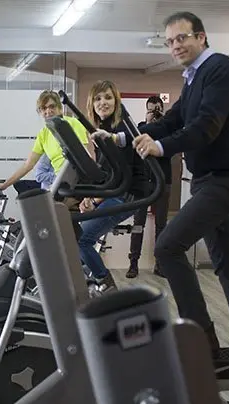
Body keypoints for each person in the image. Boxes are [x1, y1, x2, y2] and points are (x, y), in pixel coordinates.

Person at [109, 11, 229, 368]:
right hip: (209, 182)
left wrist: (161, 148)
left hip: (225, 182)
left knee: (167, 247)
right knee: (227, 266)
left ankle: (202, 342)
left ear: (201, 37)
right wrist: (119, 137)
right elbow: (171, 122)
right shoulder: (194, 79)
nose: (176, 45)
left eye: (182, 38)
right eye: (170, 41)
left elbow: (206, 126)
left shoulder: (220, 69)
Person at [77, 80, 149, 290]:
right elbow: (105, 172)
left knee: (83, 239)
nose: (103, 103)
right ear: (91, 103)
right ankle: (82, 281)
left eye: (108, 97)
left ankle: (106, 285)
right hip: (119, 191)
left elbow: (119, 174)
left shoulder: (118, 129)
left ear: (116, 101)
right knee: (78, 234)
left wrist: (95, 199)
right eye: (98, 99)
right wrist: (87, 196)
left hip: (127, 193)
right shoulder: (103, 129)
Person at [0, 90, 95, 192]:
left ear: (60, 108)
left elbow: (84, 155)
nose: (48, 111)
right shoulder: (43, 134)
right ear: (40, 112)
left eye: (52, 106)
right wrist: (4, 185)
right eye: (44, 108)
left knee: (47, 204)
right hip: (61, 181)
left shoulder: (73, 123)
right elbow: (28, 165)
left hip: (78, 179)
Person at [126, 95, 173, 278]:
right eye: (150, 109)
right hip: (144, 182)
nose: (154, 112)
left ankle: (160, 264)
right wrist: (148, 122)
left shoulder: (168, 129)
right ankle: (133, 263)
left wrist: (160, 124)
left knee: (161, 224)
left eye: (157, 109)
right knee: (138, 223)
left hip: (163, 181)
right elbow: (136, 144)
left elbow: (170, 148)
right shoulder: (140, 128)